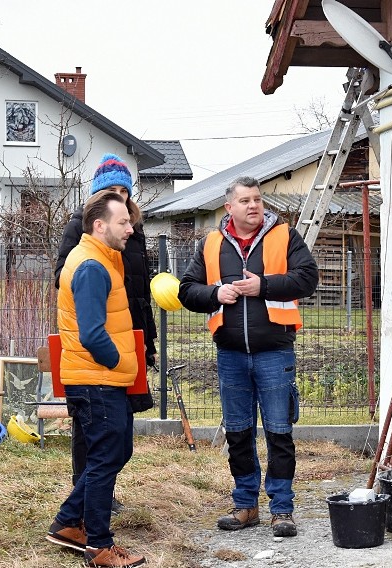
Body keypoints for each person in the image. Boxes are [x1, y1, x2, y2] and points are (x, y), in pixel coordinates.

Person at [178, 176, 318, 538]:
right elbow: (186, 291)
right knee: (238, 434)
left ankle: (282, 509)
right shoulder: (210, 244)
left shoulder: (285, 236)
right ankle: (245, 505)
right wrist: (215, 294)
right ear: (229, 207)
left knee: (279, 433)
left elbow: (307, 278)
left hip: (275, 352)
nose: (253, 205)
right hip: (231, 356)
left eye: (257, 199)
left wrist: (264, 285)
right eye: (245, 200)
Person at [46, 191, 146, 567]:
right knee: (106, 458)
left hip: (101, 377)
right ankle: (99, 547)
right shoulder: (91, 266)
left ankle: (69, 523)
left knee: (117, 451)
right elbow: (91, 333)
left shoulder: (102, 259)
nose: (130, 229)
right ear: (99, 225)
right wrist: (119, 360)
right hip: (97, 379)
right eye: (123, 223)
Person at [55, 153, 157, 511]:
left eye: (123, 190)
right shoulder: (81, 232)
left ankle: (93, 495)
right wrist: (102, 289)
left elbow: (142, 289)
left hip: (130, 330)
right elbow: (65, 277)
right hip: (101, 335)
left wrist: (147, 338)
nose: (119, 196)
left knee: (119, 431)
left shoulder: (133, 231)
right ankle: (88, 503)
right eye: (110, 190)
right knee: (94, 426)